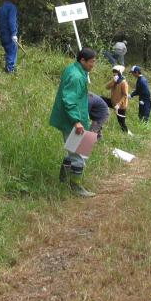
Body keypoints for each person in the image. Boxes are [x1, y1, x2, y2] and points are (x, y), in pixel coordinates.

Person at [49, 48, 98, 197]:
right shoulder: (76, 76)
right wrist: (76, 121)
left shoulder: (73, 68)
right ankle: (76, 187)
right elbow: (69, 100)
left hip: (76, 117)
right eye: (91, 62)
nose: (93, 65)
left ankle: (63, 179)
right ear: (82, 60)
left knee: (75, 148)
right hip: (72, 119)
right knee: (79, 154)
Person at [103, 65, 130, 134]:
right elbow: (107, 87)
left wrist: (118, 104)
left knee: (121, 123)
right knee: (100, 99)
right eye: (113, 71)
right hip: (113, 102)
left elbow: (125, 95)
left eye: (116, 72)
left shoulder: (123, 83)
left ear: (120, 72)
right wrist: (113, 82)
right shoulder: (115, 80)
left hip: (120, 106)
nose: (114, 73)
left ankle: (128, 134)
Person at [0, 0, 19, 73]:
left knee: (9, 51)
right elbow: (12, 21)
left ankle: (8, 68)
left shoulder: (2, 7)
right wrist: (14, 33)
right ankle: (10, 71)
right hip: (9, 34)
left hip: (2, 33)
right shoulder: (12, 7)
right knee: (12, 50)